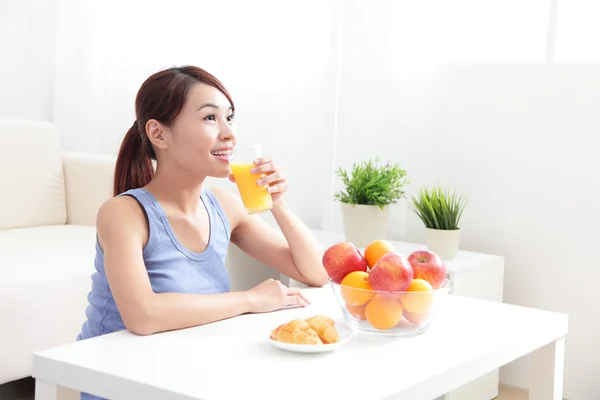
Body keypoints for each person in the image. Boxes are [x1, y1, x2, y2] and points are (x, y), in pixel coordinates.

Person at [77, 65, 328, 350]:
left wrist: (277, 203)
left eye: (229, 117)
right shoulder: (124, 213)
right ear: (159, 134)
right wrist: (252, 299)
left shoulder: (223, 206)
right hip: (111, 375)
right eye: (210, 117)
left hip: (186, 364)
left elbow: (317, 273)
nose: (229, 133)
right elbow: (142, 315)